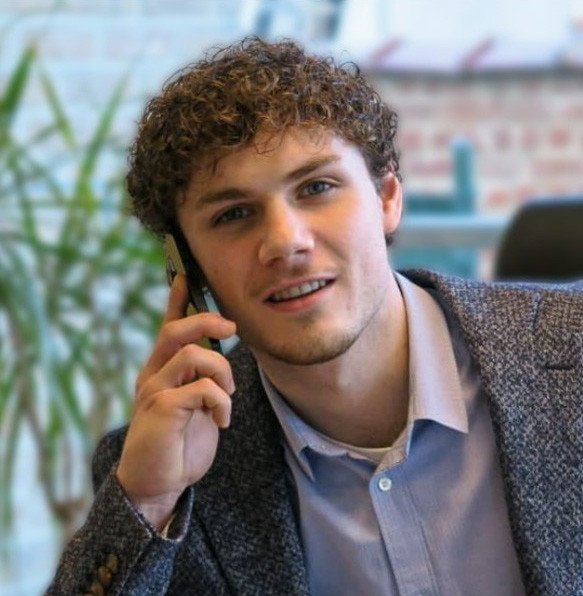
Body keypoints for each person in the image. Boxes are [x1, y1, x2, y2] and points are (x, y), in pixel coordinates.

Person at [48, 37, 582, 596]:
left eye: (317, 187)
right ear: (188, 266)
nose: (285, 242)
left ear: (388, 197)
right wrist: (148, 502)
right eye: (234, 214)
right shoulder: (172, 469)